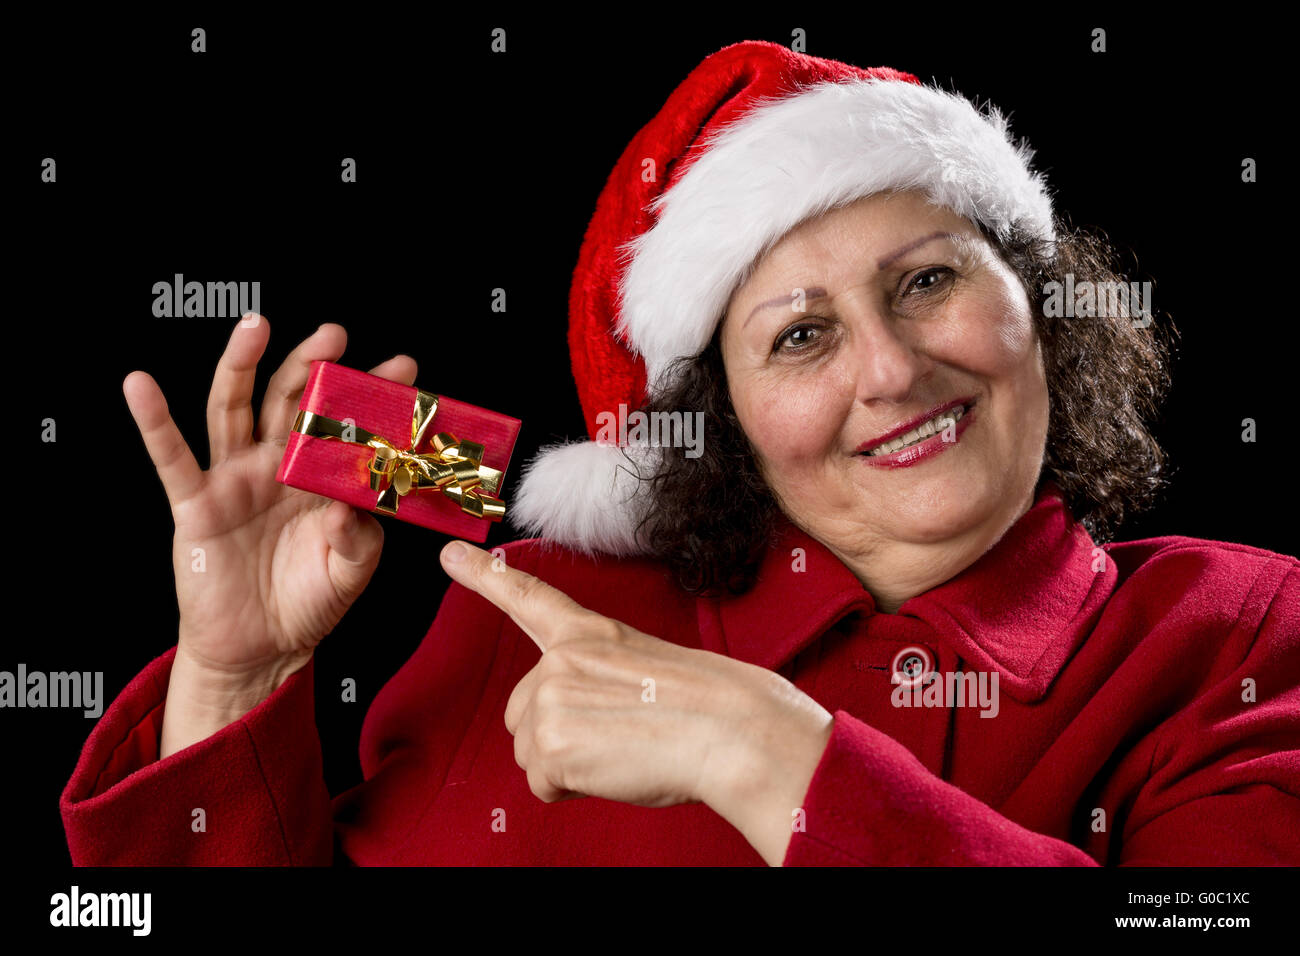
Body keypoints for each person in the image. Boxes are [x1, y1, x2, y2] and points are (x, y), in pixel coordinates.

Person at [62, 40, 1298, 866]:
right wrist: (235, 679)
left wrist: (761, 750)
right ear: (723, 420)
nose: (889, 369)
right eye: (801, 335)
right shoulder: (531, 612)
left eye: (927, 281)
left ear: (1037, 300)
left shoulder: (1237, 630)